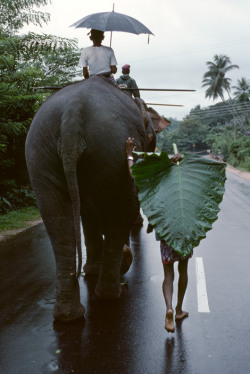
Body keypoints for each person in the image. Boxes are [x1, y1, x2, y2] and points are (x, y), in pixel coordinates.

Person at [125, 137, 192, 333]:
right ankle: (179, 309)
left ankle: (169, 308)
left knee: (168, 274)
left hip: (166, 231)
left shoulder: (157, 177)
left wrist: (129, 152)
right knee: (183, 270)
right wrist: (184, 160)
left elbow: (133, 174)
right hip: (184, 229)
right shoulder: (182, 177)